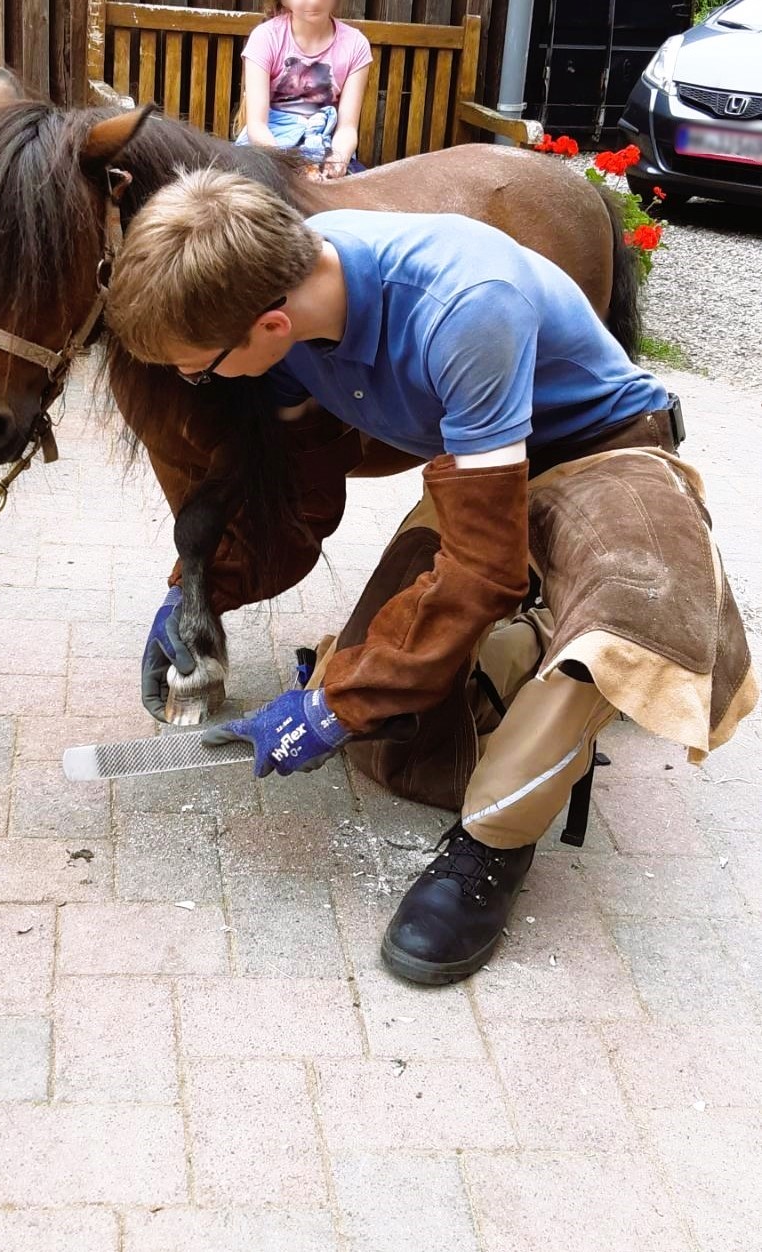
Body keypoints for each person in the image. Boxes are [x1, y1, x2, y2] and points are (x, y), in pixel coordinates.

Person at [105, 168, 758, 987]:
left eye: (200, 370)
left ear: (268, 324)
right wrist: (200, 588)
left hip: (603, 455)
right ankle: (519, 649)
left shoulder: (463, 304)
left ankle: (491, 847)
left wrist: (332, 703)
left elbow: (481, 568)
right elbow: (301, 501)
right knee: (389, 722)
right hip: (478, 476)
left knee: (627, 629)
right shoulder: (286, 337)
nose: (204, 385)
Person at [234, 0, 372, 177]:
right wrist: (289, 167)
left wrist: (337, 161)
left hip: (324, 148)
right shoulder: (265, 37)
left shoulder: (355, 44)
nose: (313, 2)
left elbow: (347, 128)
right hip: (268, 150)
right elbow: (257, 126)